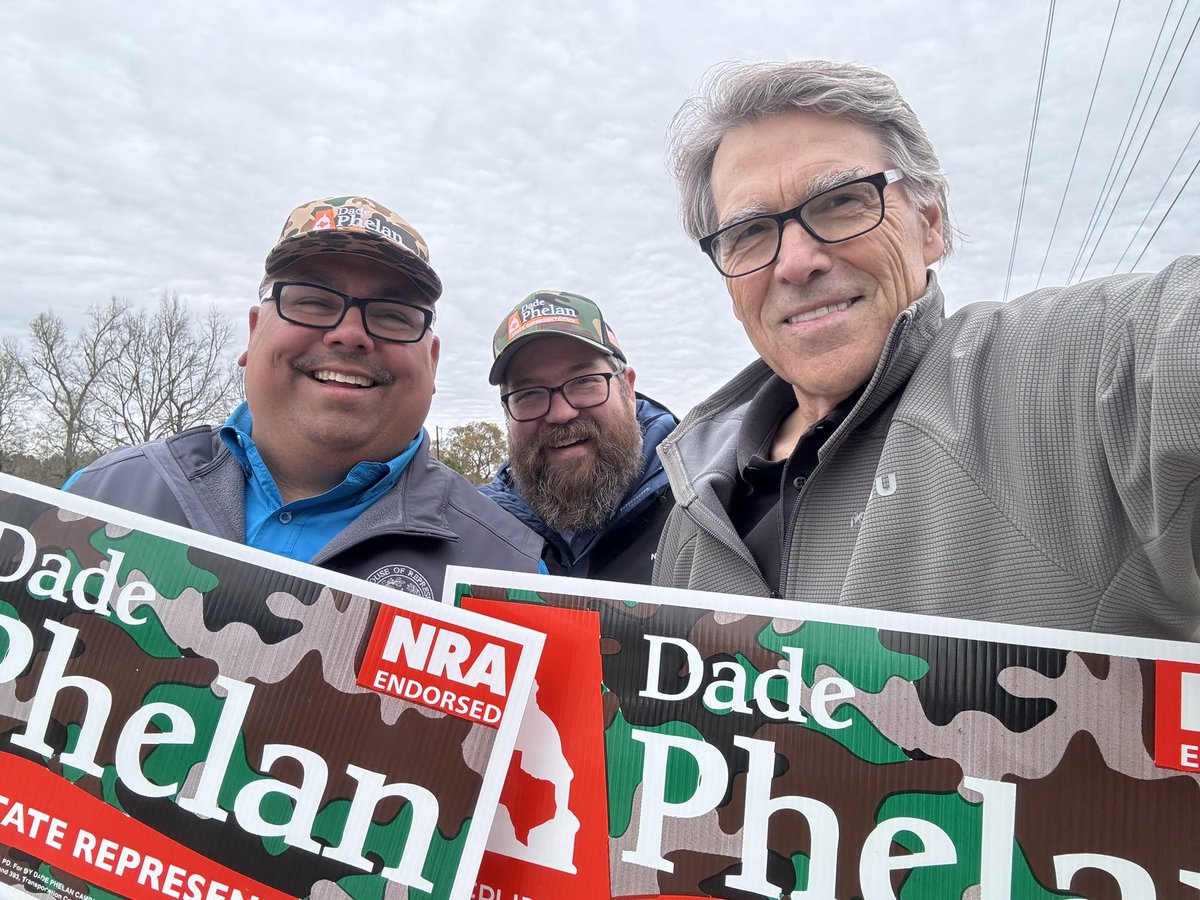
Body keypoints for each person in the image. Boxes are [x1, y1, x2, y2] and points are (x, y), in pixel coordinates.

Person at [653, 60, 1200, 640]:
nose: (795, 262)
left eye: (841, 201)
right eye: (749, 232)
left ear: (930, 224)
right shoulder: (694, 494)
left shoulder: (1073, 379)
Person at [65, 195, 542, 600]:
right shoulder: (98, 496)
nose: (350, 334)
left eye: (394, 315)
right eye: (313, 301)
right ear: (254, 334)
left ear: (432, 361)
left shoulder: (511, 575)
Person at [481, 290, 677, 583]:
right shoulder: (477, 528)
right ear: (507, 412)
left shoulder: (709, 505)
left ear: (628, 390)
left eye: (584, 382)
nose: (560, 414)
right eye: (528, 394)